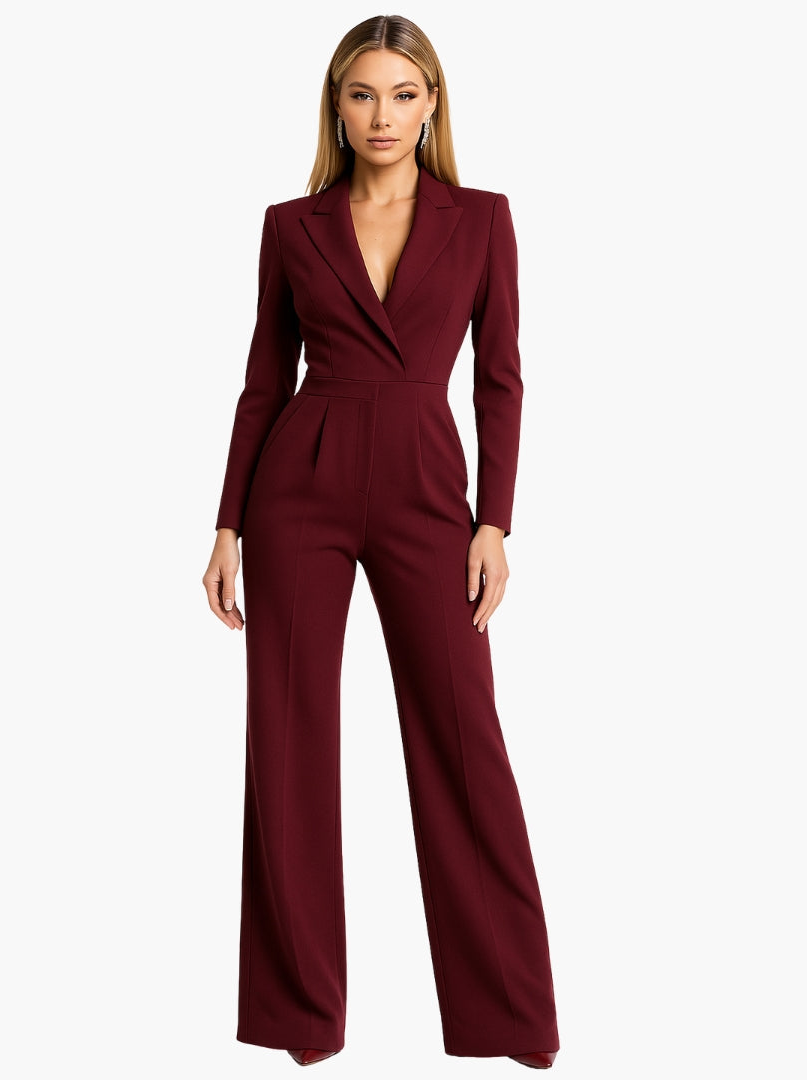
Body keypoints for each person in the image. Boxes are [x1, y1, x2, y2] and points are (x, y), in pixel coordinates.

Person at [202, 14, 560, 1070]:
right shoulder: (292, 225)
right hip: (298, 492)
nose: (383, 115)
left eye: (404, 94)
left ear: (433, 104)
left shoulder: (482, 219)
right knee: (288, 742)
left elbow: (501, 378)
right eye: (362, 94)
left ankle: (507, 1019)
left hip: (426, 493)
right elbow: (263, 380)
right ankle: (299, 1018)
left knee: (463, 737)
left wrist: (495, 520)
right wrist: (226, 521)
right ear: (337, 107)